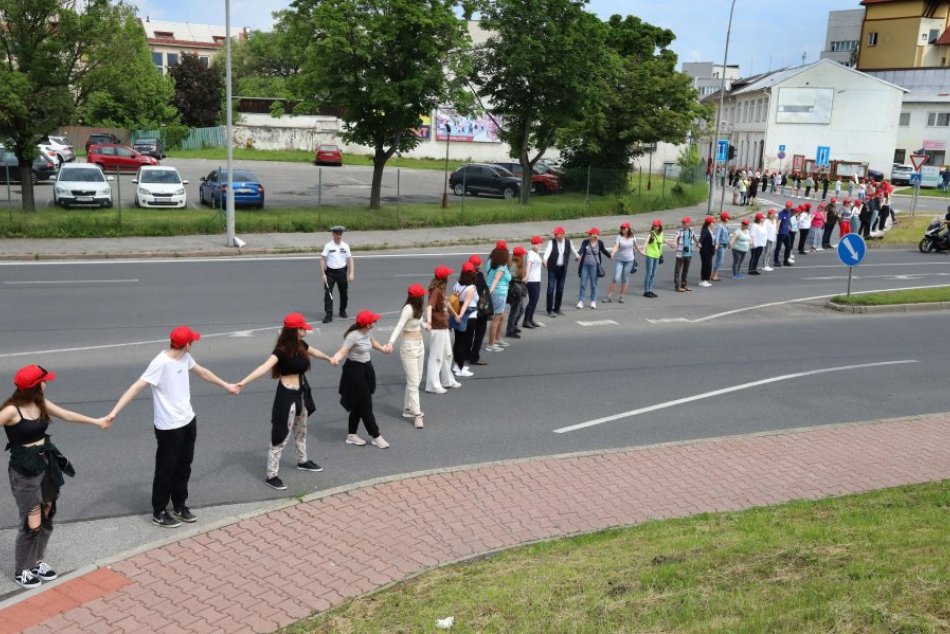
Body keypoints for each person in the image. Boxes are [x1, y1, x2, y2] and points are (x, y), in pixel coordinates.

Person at [110, 326, 239, 528]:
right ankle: (159, 512)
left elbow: (202, 372)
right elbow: (137, 386)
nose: (193, 345)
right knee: (166, 469)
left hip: (188, 420)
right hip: (168, 427)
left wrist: (226, 385)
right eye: (192, 342)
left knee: (184, 466)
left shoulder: (185, 358)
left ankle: (179, 505)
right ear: (186, 345)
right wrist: (114, 412)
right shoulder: (160, 362)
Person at [2, 365, 111, 589]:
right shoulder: (12, 410)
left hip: (46, 464)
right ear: (34, 386)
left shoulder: (40, 403)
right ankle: (22, 569)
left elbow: (67, 415)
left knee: (47, 513)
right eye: (44, 381)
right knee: (32, 522)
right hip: (25, 471)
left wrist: (96, 421)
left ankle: (37, 562)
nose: (47, 383)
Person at [236, 313, 334, 491]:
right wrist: (243, 382)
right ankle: (271, 475)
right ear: (295, 330)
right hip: (286, 396)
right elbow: (264, 367)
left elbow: (315, 351)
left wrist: (329, 358)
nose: (306, 330)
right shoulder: (281, 351)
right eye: (303, 327)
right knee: (280, 435)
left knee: (302, 430)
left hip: (301, 393)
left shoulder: (301, 344)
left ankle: (302, 461)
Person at [330, 310, 391, 448]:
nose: (376, 321)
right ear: (368, 324)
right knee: (366, 404)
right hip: (354, 371)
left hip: (366, 369)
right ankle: (376, 436)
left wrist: (383, 349)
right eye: (374, 320)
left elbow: (373, 342)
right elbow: (343, 351)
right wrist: (335, 358)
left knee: (358, 404)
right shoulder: (353, 336)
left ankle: (351, 435)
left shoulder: (367, 332)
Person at [385, 284, 429, 429]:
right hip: (409, 347)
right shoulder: (408, 309)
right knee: (414, 382)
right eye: (422, 294)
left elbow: (419, 321)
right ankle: (417, 415)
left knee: (415, 380)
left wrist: (426, 326)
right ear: (417, 297)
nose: (424, 296)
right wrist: (390, 342)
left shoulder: (417, 308)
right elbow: (399, 326)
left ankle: (408, 409)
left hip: (419, 345)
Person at [425, 266, 462, 392]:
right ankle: (433, 385)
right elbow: (429, 306)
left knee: (447, 354)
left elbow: (446, 304)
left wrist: (455, 314)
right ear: (444, 278)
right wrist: (429, 322)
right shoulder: (435, 290)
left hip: (444, 326)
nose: (449, 276)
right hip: (437, 327)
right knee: (436, 357)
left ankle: (447, 380)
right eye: (447, 275)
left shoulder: (441, 289)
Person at [320, 226, 355, 324]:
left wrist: (351, 273)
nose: (339, 236)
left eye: (340, 234)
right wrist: (323, 274)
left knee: (344, 293)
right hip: (330, 273)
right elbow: (322, 259)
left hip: (342, 272)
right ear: (333, 234)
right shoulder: (328, 246)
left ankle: (342, 310)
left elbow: (350, 259)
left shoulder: (345, 246)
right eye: (337, 234)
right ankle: (328, 314)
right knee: (328, 294)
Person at [543, 227, 579, 318]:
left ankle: (557, 308)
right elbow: (547, 252)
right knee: (550, 289)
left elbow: (573, 250)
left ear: (562, 234)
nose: (555, 236)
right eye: (554, 234)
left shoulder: (568, 242)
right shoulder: (551, 242)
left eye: (556, 234)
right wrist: (545, 260)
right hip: (552, 268)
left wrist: (577, 256)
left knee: (560, 289)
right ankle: (549, 310)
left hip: (563, 269)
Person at [451, 264, 479, 377]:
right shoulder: (471, 288)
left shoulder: (457, 285)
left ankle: (457, 364)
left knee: (458, 341)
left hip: (457, 314)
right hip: (469, 317)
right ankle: (460, 368)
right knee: (465, 343)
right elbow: (467, 303)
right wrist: (461, 316)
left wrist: (457, 315)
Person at [604, 222, 640, 302]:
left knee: (625, 279)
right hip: (620, 260)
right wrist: (612, 253)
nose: (622, 229)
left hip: (629, 261)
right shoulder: (619, 237)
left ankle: (622, 296)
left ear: (628, 229)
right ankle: (609, 296)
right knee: (616, 278)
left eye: (624, 228)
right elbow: (616, 246)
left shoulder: (632, 237)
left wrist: (642, 252)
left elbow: (636, 247)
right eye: (622, 228)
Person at [486, 242, 512, 350]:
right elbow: (496, 278)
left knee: (501, 316)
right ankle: (491, 344)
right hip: (499, 293)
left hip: (495, 292)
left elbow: (490, 275)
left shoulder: (491, 261)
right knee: (496, 318)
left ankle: (497, 338)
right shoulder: (502, 266)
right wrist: (491, 290)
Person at [576, 227, 611, 308]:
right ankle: (581, 301)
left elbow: (603, 250)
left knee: (593, 284)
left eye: (590, 234)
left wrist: (610, 256)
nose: (588, 235)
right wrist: (578, 255)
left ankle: (593, 301)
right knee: (583, 283)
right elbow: (581, 250)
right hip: (585, 265)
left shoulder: (600, 243)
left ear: (595, 235)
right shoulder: (585, 242)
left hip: (594, 266)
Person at [466, 255, 490, 367]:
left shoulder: (464, 276)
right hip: (479, 309)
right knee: (479, 333)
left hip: (466, 309)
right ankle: (474, 357)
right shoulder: (479, 276)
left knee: (468, 333)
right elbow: (484, 292)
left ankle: (466, 354)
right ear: (478, 265)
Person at [505, 247, 528, 339]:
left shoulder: (518, 263)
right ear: (520, 256)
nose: (524, 255)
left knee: (521, 309)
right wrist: (522, 279)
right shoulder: (514, 264)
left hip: (519, 288)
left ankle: (513, 325)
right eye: (523, 254)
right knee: (515, 311)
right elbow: (510, 278)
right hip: (515, 290)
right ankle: (510, 331)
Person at [673, 217, 699, 292]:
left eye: (685, 223)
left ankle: (684, 285)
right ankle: (677, 286)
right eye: (682, 223)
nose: (683, 224)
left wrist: (698, 243)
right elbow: (675, 238)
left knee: (685, 270)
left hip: (689, 253)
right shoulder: (679, 231)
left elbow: (694, 237)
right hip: (680, 254)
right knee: (677, 270)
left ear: (688, 223)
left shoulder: (691, 230)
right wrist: (674, 242)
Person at [522, 236, 543, 328]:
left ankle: (531, 319)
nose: (540, 245)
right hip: (532, 280)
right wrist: (526, 276)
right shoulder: (531, 253)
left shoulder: (536, 253)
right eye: (538, 244)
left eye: (540, 243)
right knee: (532, 301)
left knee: (535, 301)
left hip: (537, 280)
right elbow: (529, 265)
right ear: (534, 244)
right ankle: (526, 321)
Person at [642, 220, 665, 298]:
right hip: (650, 255)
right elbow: (645, 242)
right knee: (649, 273)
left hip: (657, 256)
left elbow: (662, 240)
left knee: (653, 273)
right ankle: (646, 291)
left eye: (656, 226)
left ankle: (650, 290)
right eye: (654, 225)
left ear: (659, 226)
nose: (655, 227)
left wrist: (670, 243)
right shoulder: (651, 234)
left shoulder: (661, 233)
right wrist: (643, 250)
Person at [712, 212, 731, 282]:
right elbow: (717, 236)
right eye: (727, 218)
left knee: (719, 260)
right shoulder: (720, 226)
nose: (728, 219)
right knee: (720, 261)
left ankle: (714, 274)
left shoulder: (725, 226)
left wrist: (729, 243)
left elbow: (727, 236)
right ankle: (714, 275)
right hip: (721, 245)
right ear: (725, 218)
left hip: (725, 245)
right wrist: (716, 244)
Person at [773, 202, 793, 267]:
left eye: (789, 206)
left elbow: (789, 220)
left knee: (788, 247)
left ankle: (785, 261)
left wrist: (791, 226)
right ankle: (776, 261)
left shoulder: (789, 213)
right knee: (778, 248)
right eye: (787, 206)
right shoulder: (781, 213)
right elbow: (778, 222)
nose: (788, 207)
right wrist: (776, 230)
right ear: (785, 206)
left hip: (787, 233)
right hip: (781, 233)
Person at [698, 216, 715, 287]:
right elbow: (702, 237)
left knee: (706, 265)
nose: (713, 224)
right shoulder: (705, 230)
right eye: (713, 222)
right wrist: (699, 243)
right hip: (706, 251)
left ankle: (704, 280)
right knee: (707, 266)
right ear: (709, 223)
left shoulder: (708, 229)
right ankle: (704, 280)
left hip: (708, 251)